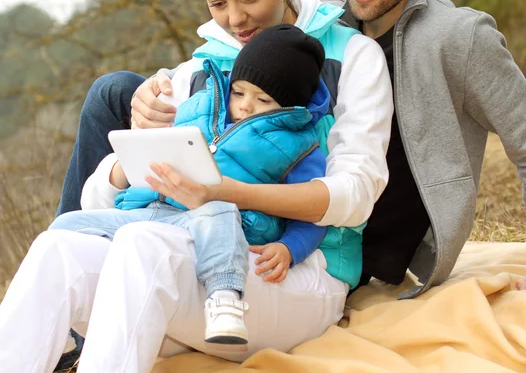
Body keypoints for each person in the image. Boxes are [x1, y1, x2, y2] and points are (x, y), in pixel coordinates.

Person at [97, 0, 526, 300]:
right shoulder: (321, 22)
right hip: (289, 215)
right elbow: (231, 56)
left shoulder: (460, 39)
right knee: (116, 92)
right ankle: (84, 279)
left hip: (354, 236)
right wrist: (158, 86)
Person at [0, 0, 392, 373]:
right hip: (183, 262)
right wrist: (125, 167)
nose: (235, 18)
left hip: (292, 271)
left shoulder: (352, 57)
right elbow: (98, 204)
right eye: (216, 3)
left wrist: (223, 193)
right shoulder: (193, 74)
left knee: (145, 246)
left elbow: (355, 195)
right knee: (57, 249)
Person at [48, 24, 332, 346]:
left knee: (218, 208)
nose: (245, 106)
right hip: (153, 211)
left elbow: (311, 213)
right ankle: (56, 323)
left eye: (263, 99)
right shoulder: (201, 109)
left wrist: (290, 248)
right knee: (66, 225)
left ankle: (225, 300)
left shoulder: (300, 147)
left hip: (218, 227)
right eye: (238, 92)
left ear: (289, 106)